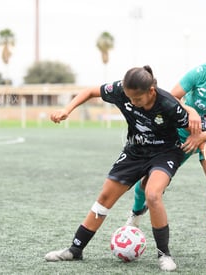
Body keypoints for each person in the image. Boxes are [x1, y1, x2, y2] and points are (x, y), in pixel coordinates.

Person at [44, 65, 193, 272]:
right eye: (129, 98)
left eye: (137, 99)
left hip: (165, 153)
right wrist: (66, 110)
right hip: (135, 151)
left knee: (153, 195)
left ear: (151, 92)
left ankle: (164, 254)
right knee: (105, 197)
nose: (132, 102)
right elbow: (89, 92)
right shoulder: (120, 90)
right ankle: (75, 250)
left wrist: (204, 145)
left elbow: (194, 128)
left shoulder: (167, 104)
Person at [126, 48, 206, 266]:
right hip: (182, 132)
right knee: (148, 183)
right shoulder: (199, 73)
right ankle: (135, 216)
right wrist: (191, 112)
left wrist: (202, 136)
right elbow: (172, 97)